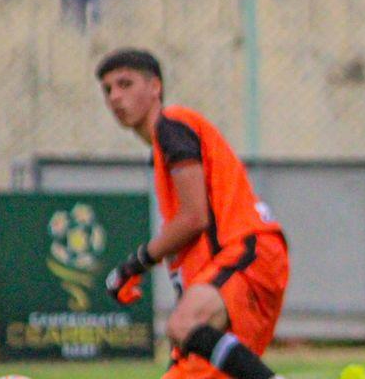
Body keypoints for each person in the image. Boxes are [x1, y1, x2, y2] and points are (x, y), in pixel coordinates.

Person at [97, 49, 289, 379]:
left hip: (248, 250)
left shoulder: (173, 124)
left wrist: (132, 265)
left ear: (155, 86)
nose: (115, 97)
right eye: (108, 90)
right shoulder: (159, 153)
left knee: (185, 324)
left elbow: (193, 217)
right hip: (235, 264)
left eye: (125, 84)